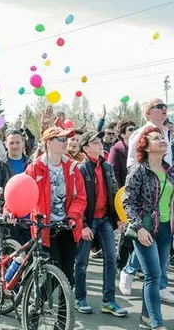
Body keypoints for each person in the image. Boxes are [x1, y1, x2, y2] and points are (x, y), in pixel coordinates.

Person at [121, 99, 174, 302]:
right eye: (159, 107)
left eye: (164, 107)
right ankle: (129, 271)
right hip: (146, 196)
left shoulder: (166, 131)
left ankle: (158, 288)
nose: (163, 110)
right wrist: (145, 182)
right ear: (148, 113)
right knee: (145, 240)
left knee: (159, 247)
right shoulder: (142, 134)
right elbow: (133, 163)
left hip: (165, 191)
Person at [74, 131, 128, 317]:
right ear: (86, 148)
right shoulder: (80, 169)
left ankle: (109, 301)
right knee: (81, 261)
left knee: (111, 259)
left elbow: (114, 191)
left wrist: (119, 217)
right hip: (88, 221)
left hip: (105, 219)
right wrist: (84, 224)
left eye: (99, 142)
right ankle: (79, 298)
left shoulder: (106, 167)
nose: (100, 145)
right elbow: (77, 200)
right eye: (95, 142)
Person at [25, 127, 87, 286]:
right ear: (49, 143)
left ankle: (64, 309)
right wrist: (10, 211)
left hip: (68, 226)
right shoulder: (34, 168)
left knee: (67, 274)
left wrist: (72, 216)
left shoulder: (73, 167)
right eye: (61, 139)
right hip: (45, 228)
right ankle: (36, 305)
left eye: (66, 138)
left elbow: (80, 197)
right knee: (54, 270)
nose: (66, 142)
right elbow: (22, 192)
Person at [0, 129, 31, 244]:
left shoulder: (30, 164)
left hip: (29, 218)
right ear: (5, 144)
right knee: (11, 256)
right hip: (8, 216)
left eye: (17, 142)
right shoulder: (0, 164)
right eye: (11, 143)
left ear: (23, 144)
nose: (15, 146)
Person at [108, 119, 136, 271]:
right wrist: (120, 199)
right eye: (131, 129)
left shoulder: (138, 148)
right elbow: (114, 175)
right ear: (123, 134)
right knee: (126, 231)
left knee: (134, 230)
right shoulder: (117, 149)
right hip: (123, 196)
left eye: (135, 128)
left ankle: (132, 266)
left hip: (137, 195)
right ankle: (122, 264)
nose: (134, 131)